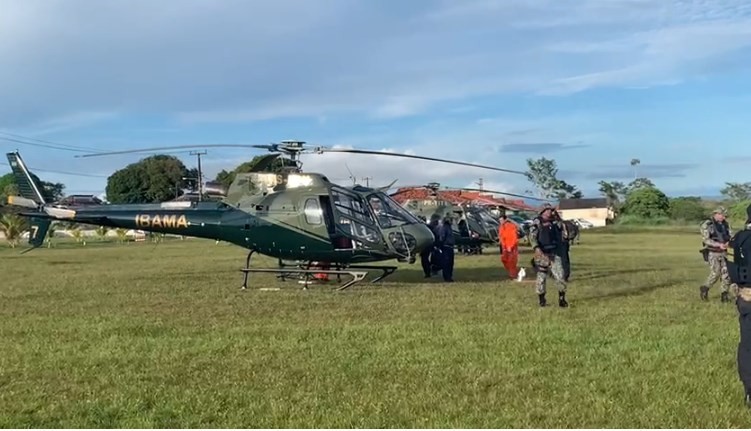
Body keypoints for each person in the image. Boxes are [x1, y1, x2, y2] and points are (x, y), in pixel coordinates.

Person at [728, 203, 751, 407]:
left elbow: (730, 266)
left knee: (747, 345)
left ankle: (749, 390)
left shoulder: (737, 239)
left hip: (746, 296)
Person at [529, 205, 568, 307]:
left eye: (551, 210)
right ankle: (542, 300)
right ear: (542, 212)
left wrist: (557, 216)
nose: (550, 212)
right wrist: (536, 248)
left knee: (560, 276)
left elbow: (563, 229)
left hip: (555, 253)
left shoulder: (555, 222)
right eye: (547, 210)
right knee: (541, 277)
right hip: (542, 253)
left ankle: (562, 299)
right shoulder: (537, 222)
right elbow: (532, 237)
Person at [699, 207, 733, 302]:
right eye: (722, 215)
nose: (724, 217)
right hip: (713, 252)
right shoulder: (707, 225)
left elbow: (731, 235)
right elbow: (706, 239)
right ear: (716, 214)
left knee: (727, 274)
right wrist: (719, 244)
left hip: (724, 253)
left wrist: (729, 243)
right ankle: (705, 288)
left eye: (725, 215)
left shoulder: (726, 224)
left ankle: (724, 294)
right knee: (715, 273)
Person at [499, 214, 520, 280]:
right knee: (504, 259)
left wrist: (510, 246)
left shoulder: (510, 226)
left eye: (502, 220)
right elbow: (502, 236)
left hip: (511, 246)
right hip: (505, 246)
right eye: (500, 220)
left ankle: (513, 275)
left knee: (511, 261)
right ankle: (513, 272)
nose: (500, 221)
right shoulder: (501, 226)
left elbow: (514, 237)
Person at [438, 215, 455, 282]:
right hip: (446, 247)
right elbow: (442, 237)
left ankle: (449, 276)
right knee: (447, 263)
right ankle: (447, 277)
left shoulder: (449, 228)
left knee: (450, 263)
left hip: (450, 247)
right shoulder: (444, 228)